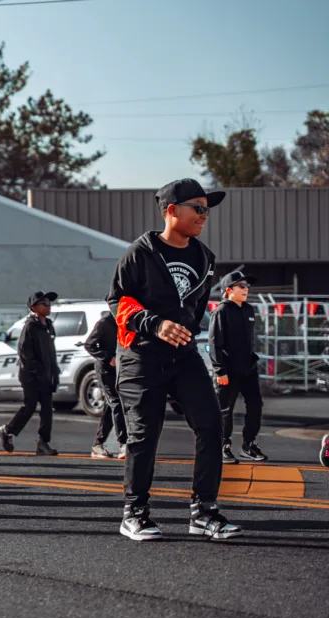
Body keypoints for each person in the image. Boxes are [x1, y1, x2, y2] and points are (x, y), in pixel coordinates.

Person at [108, 178, 241, 542]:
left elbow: (193, 309)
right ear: (171, 211)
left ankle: (204, 512)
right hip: (141, 357)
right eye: (197, 207)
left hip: (183, 355)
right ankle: (134, 513)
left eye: (207, 208)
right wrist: (155, 324)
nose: (204, 215)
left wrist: (180, 333)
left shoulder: (205, 258)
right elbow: (117, 302)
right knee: (144, 436)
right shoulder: (140, 252)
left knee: (212, 425)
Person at [211, 270, 266, 463]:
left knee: (256, 406)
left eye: (247, 286)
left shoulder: (248, 310)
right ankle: (223, 446)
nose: (246, 289)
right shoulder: (221, 311)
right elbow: (215, 343)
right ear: (229, 290)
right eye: (241, 286)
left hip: (248, 369)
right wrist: (220, 370)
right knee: (225, 410)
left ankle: (248, 445)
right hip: (228, 371)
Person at [0, 291, 61, 456]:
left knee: (47, 408)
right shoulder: (30, 326)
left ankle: (43, 442)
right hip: (31, 376)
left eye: (49, 303)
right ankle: (7, 430)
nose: (48, 306)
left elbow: (51, 352)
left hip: (46, 374)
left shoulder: (48, 326)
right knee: (30, 406)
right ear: (34, 307)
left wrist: (54, 372)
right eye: (44, 303)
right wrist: (38, 371)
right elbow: (24, 352)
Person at [83, 311, 127, 459]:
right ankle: (124, 444)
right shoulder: (104, 323)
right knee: (116, 403)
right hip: (106, 370)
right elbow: (89, 344)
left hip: (119, 369)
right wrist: (108, 358)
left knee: (110, 406)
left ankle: (98, 444)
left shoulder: (124, 321)